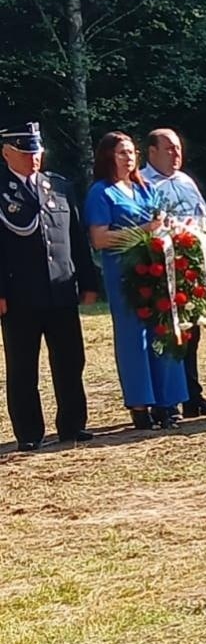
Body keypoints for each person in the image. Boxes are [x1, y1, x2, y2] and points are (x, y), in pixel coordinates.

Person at [0, 122, 99, 451]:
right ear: (6, 153)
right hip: (18, 296)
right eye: (26, 152)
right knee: (23, 365)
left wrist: (88, 280)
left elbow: (75, 240)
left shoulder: (58, 187)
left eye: (37, 151)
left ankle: (73, 425)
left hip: (60, 289)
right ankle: (29, 433)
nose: (34, 158)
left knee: (71, 360)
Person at [83, 132, 187, 430]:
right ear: (107, 157)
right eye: (121, 153)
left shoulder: (146, 188)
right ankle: (141, 406)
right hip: (125, 274)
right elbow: (99, 238)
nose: (129, 158)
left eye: (131, 152)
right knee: (134, 339)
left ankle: (168, 403)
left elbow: (161, 224)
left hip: (156, 270)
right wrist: (143, 230)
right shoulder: (102, 193)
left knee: (163, 333)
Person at [142, 128, 206, 416]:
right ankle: (166, 400)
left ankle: (192, 396)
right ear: (151, 152)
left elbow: (205, 219)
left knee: (192, 334)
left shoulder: (186, 181)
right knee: (167, 334)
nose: (176, 154)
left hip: (190, 271)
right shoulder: (143, 184)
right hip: (162, 271)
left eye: (178, 148)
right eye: (169, 149)